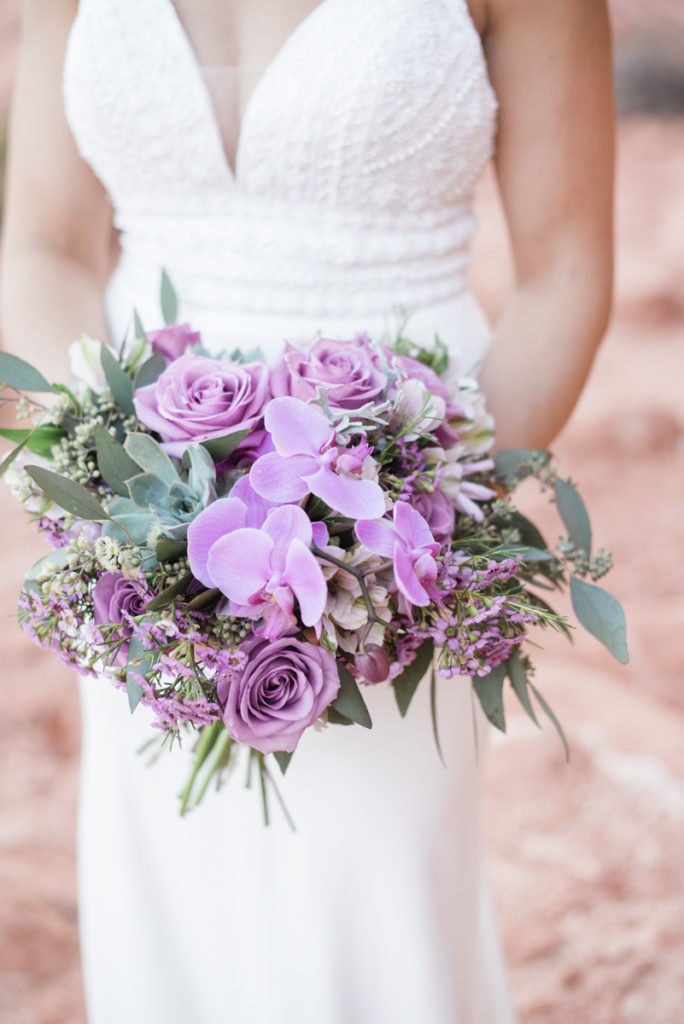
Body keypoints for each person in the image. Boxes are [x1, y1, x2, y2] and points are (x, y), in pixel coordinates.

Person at [0, 1, 614, 1021]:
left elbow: (568, 272)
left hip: (393, 548)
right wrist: (120, 496)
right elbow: (45, 242)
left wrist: (415, 532)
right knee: (173, 898)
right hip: (144, 527)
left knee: (372, 909)